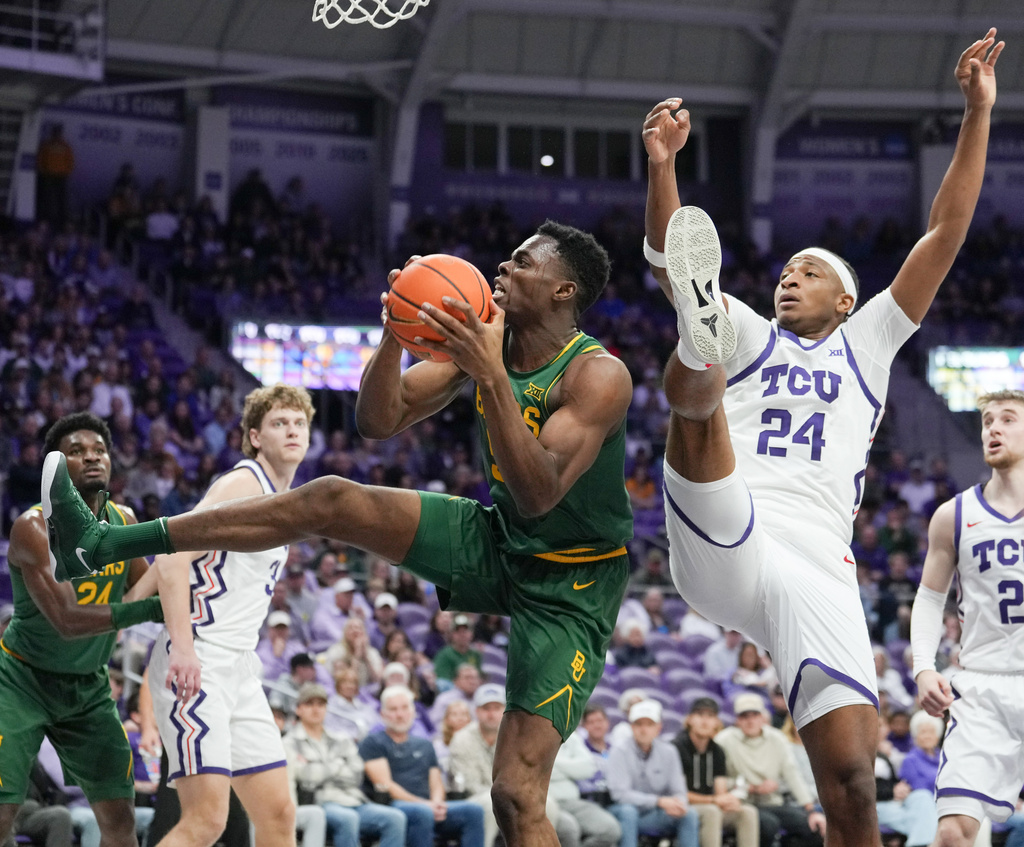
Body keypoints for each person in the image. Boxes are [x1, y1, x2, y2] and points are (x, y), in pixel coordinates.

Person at [45, 219, 634, 847]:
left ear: (563, 290)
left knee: (515, 796)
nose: (504, 270)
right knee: (331, 497)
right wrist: (393, 334)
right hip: (498, 539)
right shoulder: (492, 339)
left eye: (523, 263)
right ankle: (106, 542)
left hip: (572, 579)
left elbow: (539, 492)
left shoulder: (598, 376)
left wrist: (489, 374)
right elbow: (379, 420)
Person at [639, 28, 1003, 846]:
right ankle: (695, 341)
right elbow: (669, 260)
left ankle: (694, 346)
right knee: (696, 365)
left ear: (846, 299)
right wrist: (663, 167)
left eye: (809, 272)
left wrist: (977, 114)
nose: (789, 277)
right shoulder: (750, 326)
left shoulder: (868, 342)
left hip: (820, 563)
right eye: (785, 271)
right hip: (730, 523)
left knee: (852, 781)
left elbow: (944, 233)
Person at [139, 385, 315, 847]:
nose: (293, 430)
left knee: (277, 813)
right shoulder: (243, 484)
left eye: (300, 423)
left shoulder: (283, 497)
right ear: (255, 436)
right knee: (206, 820)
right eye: (280, 423)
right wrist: (182, 648)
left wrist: (126, 603)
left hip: (239, 665)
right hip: (201, 658)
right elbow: (172, 555)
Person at [0, 413, 163, 847]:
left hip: (88, 690)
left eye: (99, 451)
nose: (92, 457)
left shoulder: (124, 520)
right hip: (21, 682)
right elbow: (68, 621)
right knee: (0, 818)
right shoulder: (33, 528)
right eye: (77, 452)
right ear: (55, 467)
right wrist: (150, 608)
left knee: (120, 821)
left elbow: (148, 582)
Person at [911, 388, 1024, 846]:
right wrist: (922, 666)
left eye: (1008, 419)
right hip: (982, 687)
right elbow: (928, 598)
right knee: (953, 834)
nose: (993, 428)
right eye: (987, 421)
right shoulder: (953, 515)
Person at [283, 682, 406, 847]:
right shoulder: (290, 742)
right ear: (298, 709)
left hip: (353, 799)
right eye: (309, 704)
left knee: (395, 818)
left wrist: (320, 769)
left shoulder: (341, 739)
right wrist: (339, 764)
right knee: (348, 818)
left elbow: (356, 774)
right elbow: (304, 775)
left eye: (320, 704)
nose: (316, 709)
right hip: (319, 802)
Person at [359, 685, 485, 847]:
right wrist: (425, 804)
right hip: (393, 805)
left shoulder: (425, 745)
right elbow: (386, 784)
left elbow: (436, 781)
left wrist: (437, 803)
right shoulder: (372, 742)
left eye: (404, 708)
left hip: (428, 806)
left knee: (473, 811)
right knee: (422, 813)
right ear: (383, 714)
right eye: (393, 709)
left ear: (412, 712)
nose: (400, 714)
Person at [714, 694, 824, 847]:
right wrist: (749, 787)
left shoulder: (777, 738)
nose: (750, 720)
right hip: (742, 804)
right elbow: (718, 780)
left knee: (812, 826)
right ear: (737, 720)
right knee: (768, 825)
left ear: (762, 717)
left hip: (773, 802)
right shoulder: (723, 740)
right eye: (744, 716)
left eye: (755, 715)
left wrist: (810, 810)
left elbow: (792, 775)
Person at [607, 699, 699, 847]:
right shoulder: (619, 751)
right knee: (628, 812)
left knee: (689, 814)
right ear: (631, 727)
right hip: (625, 813)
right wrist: (659, 801)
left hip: (656, 814)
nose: (644, 729)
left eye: (649, 724)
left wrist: (678, 805)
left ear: (659, 727)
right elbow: (620, 795)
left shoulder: (669, 751)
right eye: (638, 724)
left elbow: (679, 791)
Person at [672, 697, 758, 847]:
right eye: (700, 715)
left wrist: (729, 800)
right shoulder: (676, 747)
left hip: (709, 805)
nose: (705, 721)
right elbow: (679, 794)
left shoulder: (718, 751)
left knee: (747, 811)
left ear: (717, 722)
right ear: (690, 719)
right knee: (712, 812)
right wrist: (713, 800)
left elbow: (720, 791)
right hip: (681, 808)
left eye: (710, 716)